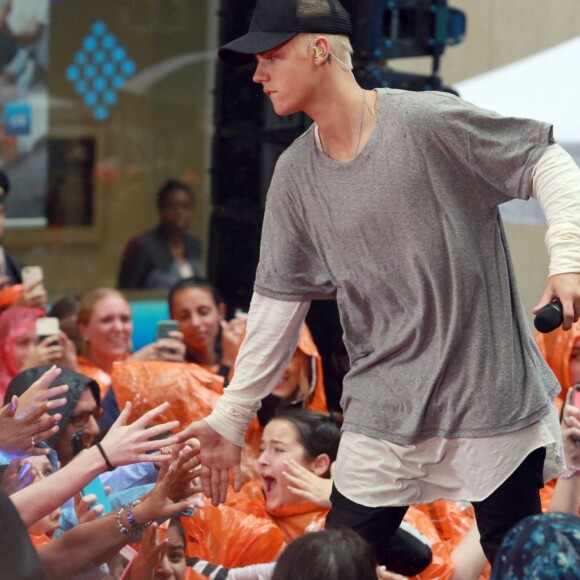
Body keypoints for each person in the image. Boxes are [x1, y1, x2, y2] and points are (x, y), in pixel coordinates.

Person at [179, 0, 580, 570]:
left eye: (271, 56)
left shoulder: (426, 121)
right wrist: (231, 415)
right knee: (339, 560)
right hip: (382, 406)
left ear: (320, 50)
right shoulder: (294, 174)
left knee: (513, 557)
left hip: (487, 395)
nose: (258, 74)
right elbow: (276, 305)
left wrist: (568, 260)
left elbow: (547, 159)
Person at [76, 287, 186, 399]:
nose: (119, 328)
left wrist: (177, 372)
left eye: (124, 319)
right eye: (107, 320)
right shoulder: (73, 376)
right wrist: (128, 369)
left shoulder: (146, 364)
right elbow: (98, 413)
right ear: (84, 330)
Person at [118, 179, 203, 290]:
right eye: (172, 207)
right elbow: (127, 291)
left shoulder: (194, 245)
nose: (179, 213)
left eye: (185, 207)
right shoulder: (142, 246)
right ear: (161, 210)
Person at [168, 277, 246, 382]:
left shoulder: (243, 354)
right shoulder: (168, 368)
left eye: (203, 312)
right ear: (172, 319)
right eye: (184, 316)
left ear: (220, 312)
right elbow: (214, 398)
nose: (195, 323)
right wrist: (227, 362)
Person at [0, 306, 76, 400]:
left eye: (38, 342)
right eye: (23, 343)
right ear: (3, 346)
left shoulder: (52, 384)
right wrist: (25, 377)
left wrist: (70, 374)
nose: (35, 352)